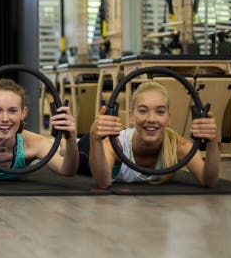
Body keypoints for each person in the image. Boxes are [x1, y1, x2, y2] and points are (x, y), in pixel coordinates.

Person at [84, 80, 219, 188]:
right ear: (131, 116)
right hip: (87, 148)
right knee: (65, 150)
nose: (152, 119)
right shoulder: (115, 144)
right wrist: (95, 140)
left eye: (160, 112)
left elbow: (208, 181)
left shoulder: (179, 146)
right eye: (143, 111)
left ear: (168, 118)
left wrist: (212, 141)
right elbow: (102, 182)